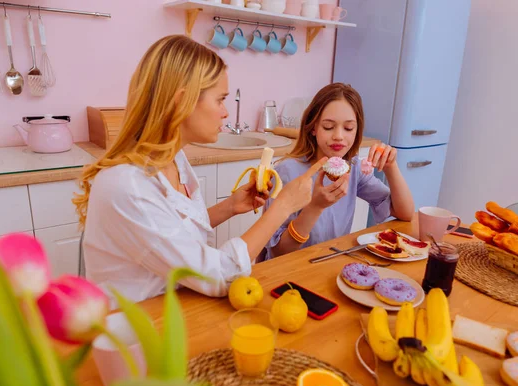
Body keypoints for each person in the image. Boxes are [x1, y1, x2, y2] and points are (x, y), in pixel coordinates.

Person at [72, 35, 326, 305]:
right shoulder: (126, 185)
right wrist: (282, 207)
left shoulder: (173, 159)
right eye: (220, 100)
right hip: (134, 332)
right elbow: (219, 275)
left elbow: (173, 235)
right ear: (183, 101)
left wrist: (229, 207)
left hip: (175, 311)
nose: (225, 112)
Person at [261, 83, 414, 261]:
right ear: (313, 128)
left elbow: (405, 213)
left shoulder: (353, 168)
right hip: (289, 272)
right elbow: (279, 252)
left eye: (348, 128)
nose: (339, 136)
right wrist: (315, 208)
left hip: (329, 266)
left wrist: (391, 167)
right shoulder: (286, 172)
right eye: (328, 127)